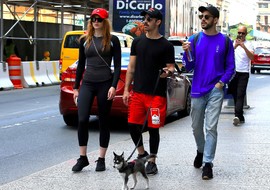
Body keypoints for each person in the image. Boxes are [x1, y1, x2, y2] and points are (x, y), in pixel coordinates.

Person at [182, 5, 235, 180]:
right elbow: (188, 66)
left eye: (206, 16)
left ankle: (208, 163)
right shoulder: (195, 39)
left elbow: (230, 67)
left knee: (211, 127)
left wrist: (221, 83)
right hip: (197, 89)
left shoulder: (225, 41)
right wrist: (187, 52)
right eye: (201, 16)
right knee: (196, 126)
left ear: (215, 20)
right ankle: (200, 150)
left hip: (215, 90)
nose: (203, 19)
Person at [122, 8, 175, 175]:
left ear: (157, 22)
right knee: (132, 125)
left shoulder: (166, 45)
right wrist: (126, 90)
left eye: (149, 19)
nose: (145, 22)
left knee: (153, 128)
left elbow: (171, 68)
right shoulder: (137, 42)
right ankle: (141, 153)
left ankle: (152, 161)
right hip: (137, 93)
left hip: (156, 95)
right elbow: (131, 67)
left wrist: (168, 72)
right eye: (144, 18)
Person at [72, 8, 121, 172]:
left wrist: (114, 86)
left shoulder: (113, 40)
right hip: (87, 83)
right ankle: (83, 157)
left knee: (103, 120)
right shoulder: (85, 40)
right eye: (93, 19)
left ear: (105, 22)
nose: (96, 22)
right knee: (82, 119)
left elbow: (118, 65)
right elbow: (80, 65)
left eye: (99, 19)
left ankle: (101, 159)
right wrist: (75, 88)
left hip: (105, 83)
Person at [228, 25, 254, 126]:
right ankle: (241, 115)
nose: (240, 35)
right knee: (234, 94)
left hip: (244, 73)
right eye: (239, 33)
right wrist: (235, 46)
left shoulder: (249, 44)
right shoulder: (233, 43)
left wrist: (244, 47)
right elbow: (227, 54)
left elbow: (252, 57)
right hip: (234, 72)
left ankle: (237, 116)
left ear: (246, 34)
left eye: (243, 33)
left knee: (240, 94)